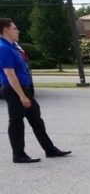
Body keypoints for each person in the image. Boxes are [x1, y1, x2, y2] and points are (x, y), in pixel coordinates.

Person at [0, 18, 71, 163]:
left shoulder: (12, 46)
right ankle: (18, 155)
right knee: (16, 122)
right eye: (15, 28)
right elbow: (9, 73)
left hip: (22, 88)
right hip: (14, 89)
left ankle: (50, 150)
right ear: (6, 30)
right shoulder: (3, 48)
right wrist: (22, 96)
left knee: (36, 120)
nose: (17, 31)